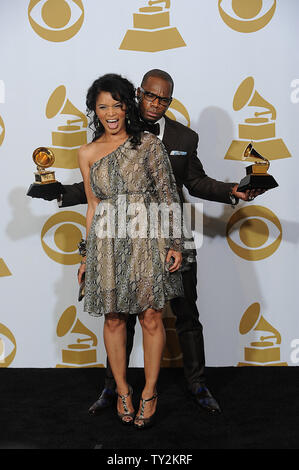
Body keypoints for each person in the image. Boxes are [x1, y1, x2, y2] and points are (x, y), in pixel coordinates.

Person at [28, 69, 263, 415]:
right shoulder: (98, 144)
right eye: (150, 96)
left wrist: (231, 190)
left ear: (168, 101)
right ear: (138, 95)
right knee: (117, 315)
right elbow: (99, 194)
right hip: (110, 237)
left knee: (183, 311)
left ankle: (196, 384)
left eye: (163, 99)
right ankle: (115, 388)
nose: (155, 104)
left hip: (162, 233)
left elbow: (192, 183)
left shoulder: (180, 138)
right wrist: (62, 199)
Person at [77, 73, 185, 429]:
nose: (111, 113)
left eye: (117, 105)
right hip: (107, 241)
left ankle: (150, 392)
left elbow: (168, 195)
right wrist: (84, 256)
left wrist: (174, 243)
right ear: (95, 110)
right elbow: (92, 207)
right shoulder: (87, 153)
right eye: (102, 106)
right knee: (113, 318)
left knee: (152, 317)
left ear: (128, 106)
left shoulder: (149, 145)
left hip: (145, 236)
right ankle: (122, 390)